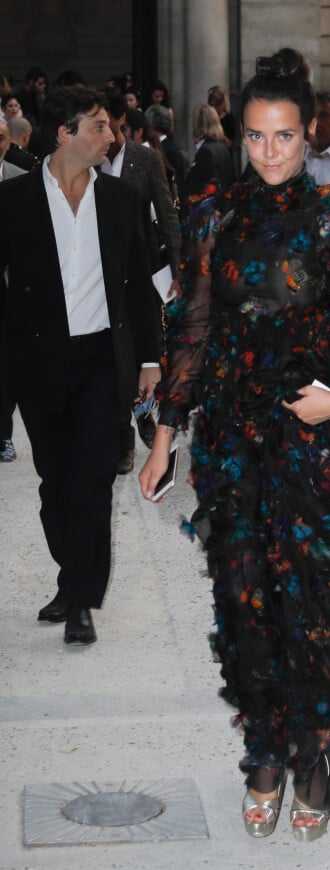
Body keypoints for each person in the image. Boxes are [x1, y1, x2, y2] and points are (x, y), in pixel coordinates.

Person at [140, 47, 330, 840]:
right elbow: (189, 330)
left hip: (319, 450)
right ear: (239, 134)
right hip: (233, 448)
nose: (268, 153)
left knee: (318, 609)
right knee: (248, 605)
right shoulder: (213, 218)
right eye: (255, 137)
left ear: (310, 133)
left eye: (284, 137)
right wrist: (164, 438)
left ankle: (318, 760)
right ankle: (265, 753)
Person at [0, 85, 161, 645]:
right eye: (97, 126)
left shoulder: (121, 200)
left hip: (101, 359)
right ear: (65, 133)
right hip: (39, 360)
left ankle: (82, 602)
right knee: (55, 482)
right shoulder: (13, 201)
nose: (111, 137)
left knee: (93, 479)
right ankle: (72, 578)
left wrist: (149, 359)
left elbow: (140, 286)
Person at [102, 92, 181, 472]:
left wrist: (179, 270)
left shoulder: (145, 158)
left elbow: (167, 213)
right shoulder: (89, 160)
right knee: (114, 352)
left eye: (106, 121)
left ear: (120, 120)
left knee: (144, 347)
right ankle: (122, 436)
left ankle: (144, 412)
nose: (102, 130)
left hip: (143, 265)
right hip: (101, 270)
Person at [0, 119, 27, 463]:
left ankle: (4, 435)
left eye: (2, 137)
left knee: (6, 365)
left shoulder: (20, 179)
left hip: (10, 289)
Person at [183, 103, 235, 204]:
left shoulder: (206, 152)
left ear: (198, 124)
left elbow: (208, 191)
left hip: (210, 214)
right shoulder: (221, 147)